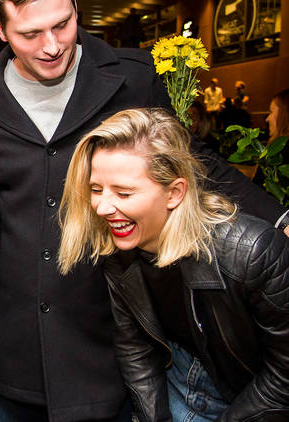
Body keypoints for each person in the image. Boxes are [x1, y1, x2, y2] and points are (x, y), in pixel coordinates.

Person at [0, 0, 289, 420]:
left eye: (63, 25)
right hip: (15, 348)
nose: (52, 45)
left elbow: (193, 161)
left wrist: (280, 219)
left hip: (113, 333)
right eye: (30, 34)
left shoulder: (134, 75)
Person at [58, 108, 289, 421]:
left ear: (175, 192)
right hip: (180, 381)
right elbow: (134, 347)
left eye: (124, 193)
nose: (101, 206)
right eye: (96, 189)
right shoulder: (120, 246)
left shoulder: (252, 250)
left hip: (251, 398)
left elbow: (283, 374)